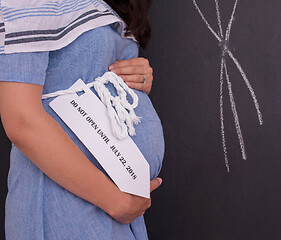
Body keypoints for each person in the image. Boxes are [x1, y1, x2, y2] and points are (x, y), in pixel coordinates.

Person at [0, 0, 164, 239]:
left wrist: (133, 79)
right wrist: (115, 201)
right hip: (66, 203)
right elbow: (21, 120)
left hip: (115, 206)